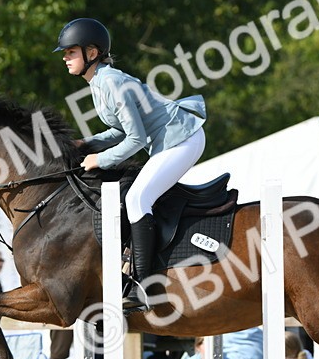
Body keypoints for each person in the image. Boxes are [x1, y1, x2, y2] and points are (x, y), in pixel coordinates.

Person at [56, 17, 207, 311]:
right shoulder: (99, 82)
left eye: (70, 52)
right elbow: (120, 131)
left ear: (92, 52)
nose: (65, 58)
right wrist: (86, 144)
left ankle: (146, 286)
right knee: (139, 197)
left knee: (138, 199)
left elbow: (135, 139)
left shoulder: (111, 82)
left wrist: (99, 159)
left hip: (183, 138)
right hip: (169, 140)